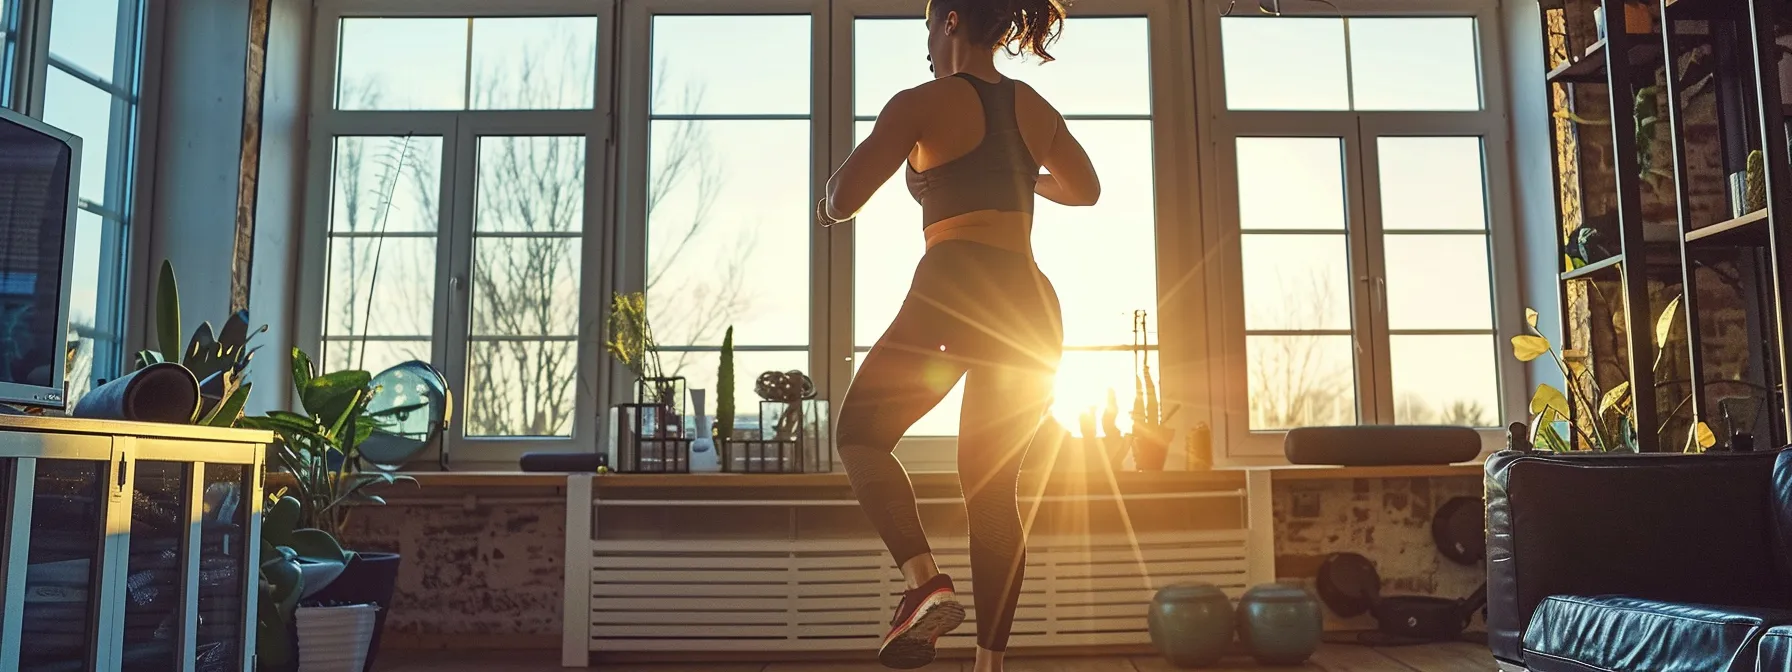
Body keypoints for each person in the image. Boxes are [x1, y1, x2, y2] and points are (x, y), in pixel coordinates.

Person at [816, 0, 1099, 669]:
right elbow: (1085, 191)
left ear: (948, 23)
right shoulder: (1034, 107)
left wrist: (829, 199)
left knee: (859, 433)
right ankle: (989, 664)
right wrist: (1022, 172)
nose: (924, 44)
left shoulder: (920, 104)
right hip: (1032, 303)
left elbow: (843, 198)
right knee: (993, 490)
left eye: (925, 28)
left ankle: (923, 584)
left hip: (958, 283)